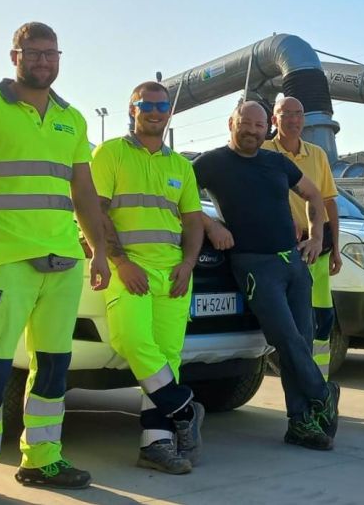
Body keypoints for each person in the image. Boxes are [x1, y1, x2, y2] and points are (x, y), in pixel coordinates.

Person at [0, 22, 111, 505]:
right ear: (14, 55)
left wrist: (98, 249)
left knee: (54, 367)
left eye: (51, 54)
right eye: (34, 53)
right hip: (4, 259)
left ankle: (41, 459)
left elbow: (83, 190)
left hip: (63, 260)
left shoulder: (72, 118)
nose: (43, 62)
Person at [193, 101, 340, 450]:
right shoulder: (211, 163)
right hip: (254, 264)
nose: (252, 132)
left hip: (293, 262)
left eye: (259, 126)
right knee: (285, 339)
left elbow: (314, 194)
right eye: (246, 124)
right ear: (232, 123)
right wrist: (210, 224)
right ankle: (322, 393)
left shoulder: (276, 162)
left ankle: (300, 424)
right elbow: (177, 199)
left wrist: (318, 238)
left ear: (266, 128)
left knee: (300, 342)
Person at [91, 81, 206, 473]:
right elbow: (96, 211)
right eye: (147, 105)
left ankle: (155, 444)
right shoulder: (110, 154)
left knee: (167, 358)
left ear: (169, 112)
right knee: (131, 340)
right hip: (129, 269)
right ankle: (185, 408)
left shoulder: (180, 166)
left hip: (173, 272)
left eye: (162, 105)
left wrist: (188, 263)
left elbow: (193, 221)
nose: (155, 111)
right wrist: (120, 261)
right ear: (132, 109)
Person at [262, 96, 342, 380]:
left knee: (322, 320)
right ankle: (298, 380)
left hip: (317, 248)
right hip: (280, 251)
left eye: (299, 114)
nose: (293, 120)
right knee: (293, 324)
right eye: (286, 114)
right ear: (274, 119)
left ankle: (320, 382)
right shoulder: (263, 152)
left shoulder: (317, 155)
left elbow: (329, 202)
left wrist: (336, 249)